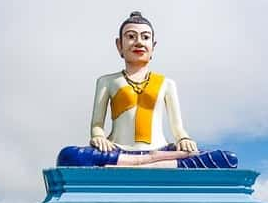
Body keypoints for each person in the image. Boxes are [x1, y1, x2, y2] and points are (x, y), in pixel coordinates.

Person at [56, 11, 237, 169]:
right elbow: (97, 125)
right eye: (131, 36)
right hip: (118, 150)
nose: (138, 42)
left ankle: (142, 162)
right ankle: (155, 163)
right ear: (119, 45)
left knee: (227, 159)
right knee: (69, 156)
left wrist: (183, 140)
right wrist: (98, 137)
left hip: (161, 150)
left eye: (145, 37)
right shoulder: (107, 81)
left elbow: (178, 128)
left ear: (153, 46)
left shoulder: (166, 83)